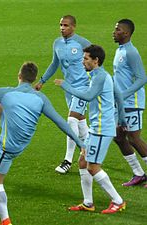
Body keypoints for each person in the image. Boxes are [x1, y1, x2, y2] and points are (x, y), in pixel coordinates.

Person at [0, 60, 86, 225]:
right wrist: (80, 143)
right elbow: (61, 122)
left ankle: (5, 221)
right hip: (23, 141)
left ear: (19, 76)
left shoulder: (6, 93)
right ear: (34, 79)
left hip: (8, 147)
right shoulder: (41, 98)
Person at [55, 45, 126, 213]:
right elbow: (119, 95)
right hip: (97, 127)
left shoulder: (100, 77)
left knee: (93, 167)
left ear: (96, 61)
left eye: (86, 58)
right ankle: (88, 203)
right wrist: (121, 118)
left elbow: (88, 96)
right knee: (82, 161)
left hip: (101, 129)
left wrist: (66, 86)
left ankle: (118, 201)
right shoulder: (99, 75)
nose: (83, 61)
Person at [34, 15, 91, 174]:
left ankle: (68, 160)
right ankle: (90, 151)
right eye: (60, 25)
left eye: (65, 25)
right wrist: (42, 81)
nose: (62, 28)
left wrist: (96, 82)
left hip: (82, 87)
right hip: (68, 88)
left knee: (71, 119)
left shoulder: (83, 43)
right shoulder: (57, 43)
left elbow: (97, 60)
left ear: (73, 27)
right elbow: (54, 63)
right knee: (80, 121)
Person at [112, 19, 147, 188]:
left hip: (132, 102)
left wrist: (123, 94)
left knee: (133, 138)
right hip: (121, 102)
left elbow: (142, 78)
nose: (114, 32)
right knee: (118, 137)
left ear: (126, 33)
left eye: (117, 29)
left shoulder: (131, 52)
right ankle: (139, 174)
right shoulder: (120, 50)